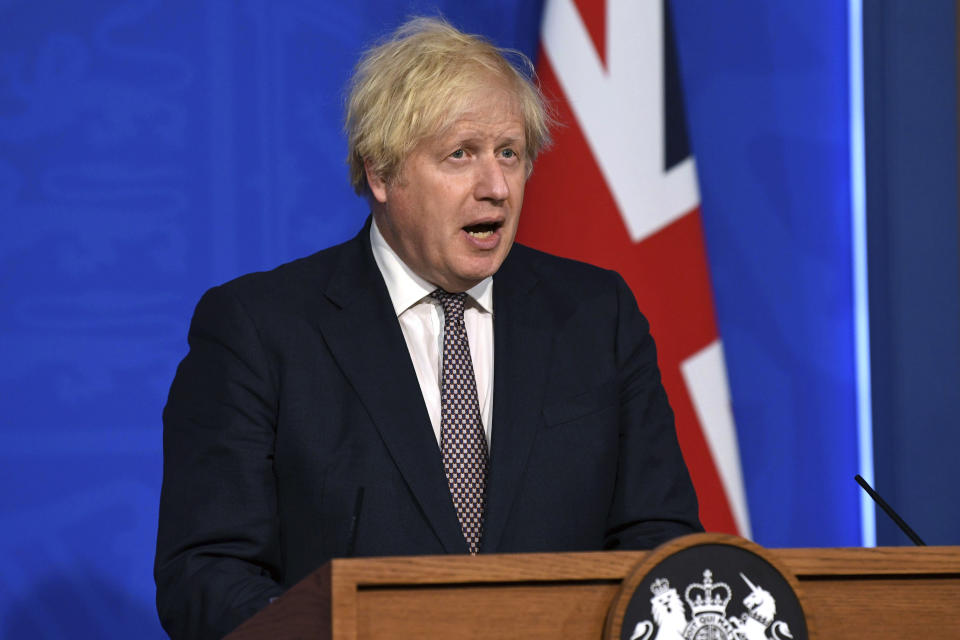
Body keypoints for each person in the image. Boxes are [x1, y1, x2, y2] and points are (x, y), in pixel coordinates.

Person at [154, 16, 702, 639]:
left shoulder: (596, 314)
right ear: (382, 174)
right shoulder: (261, 328)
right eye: (460, 155)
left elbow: (661, 541)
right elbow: (206, 573)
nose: (495, 187)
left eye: (510, 154)